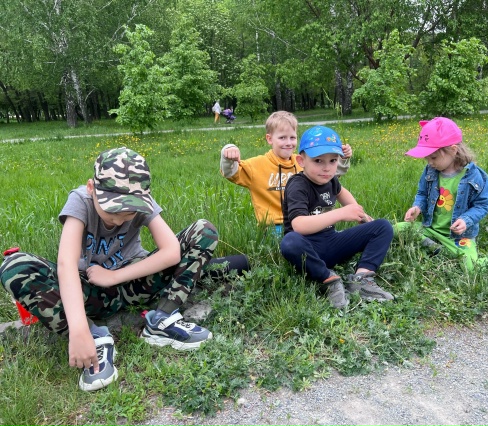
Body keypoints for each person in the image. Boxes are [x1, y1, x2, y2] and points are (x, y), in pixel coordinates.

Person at [0, 147, 219, 391]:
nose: (119, 219)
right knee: (14, 266)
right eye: (112, 210)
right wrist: (78, 329)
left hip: (136, 284)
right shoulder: (80, 201)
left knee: (204, 230)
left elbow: (171, 252)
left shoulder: (141, 202)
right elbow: (65, 265)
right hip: (91, 292)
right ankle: (93, 336)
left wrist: (114, 276)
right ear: (91, 188)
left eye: (129, 213)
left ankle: (162, 318)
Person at [280, 126, 394, 308]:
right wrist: (341, 213)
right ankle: (329, 279)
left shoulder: (330, 180)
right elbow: (299, 225)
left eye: (333, 161)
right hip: (308, 249)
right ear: (301, 161)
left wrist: (360, 214)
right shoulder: (298, 185)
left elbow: (341, 192)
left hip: (332, 242)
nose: (326, 168)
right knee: (290, 242)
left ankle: (361, 278)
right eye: (318, 161)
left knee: (383, 227)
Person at [220, 111, 353, 232]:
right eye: (282, 138)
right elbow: (231, 173)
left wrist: (342, 158)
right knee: (290, 241)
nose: (288, 143)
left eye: (292, 137)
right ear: (269, 139)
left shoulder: (301, 162)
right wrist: (228, 155)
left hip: (305, 220)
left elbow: (328, 174)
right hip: (274, 226)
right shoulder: (256, 165)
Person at [395, 117, 488, 271]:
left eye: (433, 157)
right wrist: (417, 208)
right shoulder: (430, 171)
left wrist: (466, 220)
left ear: (453, 150)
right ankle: (437, 248)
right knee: (396, 228)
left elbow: (482, 205)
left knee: (470, 266)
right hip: (431, 230)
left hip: (458, 237)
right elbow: (422, 194)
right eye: (426, 158)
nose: (430, 162)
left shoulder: (475, 176)